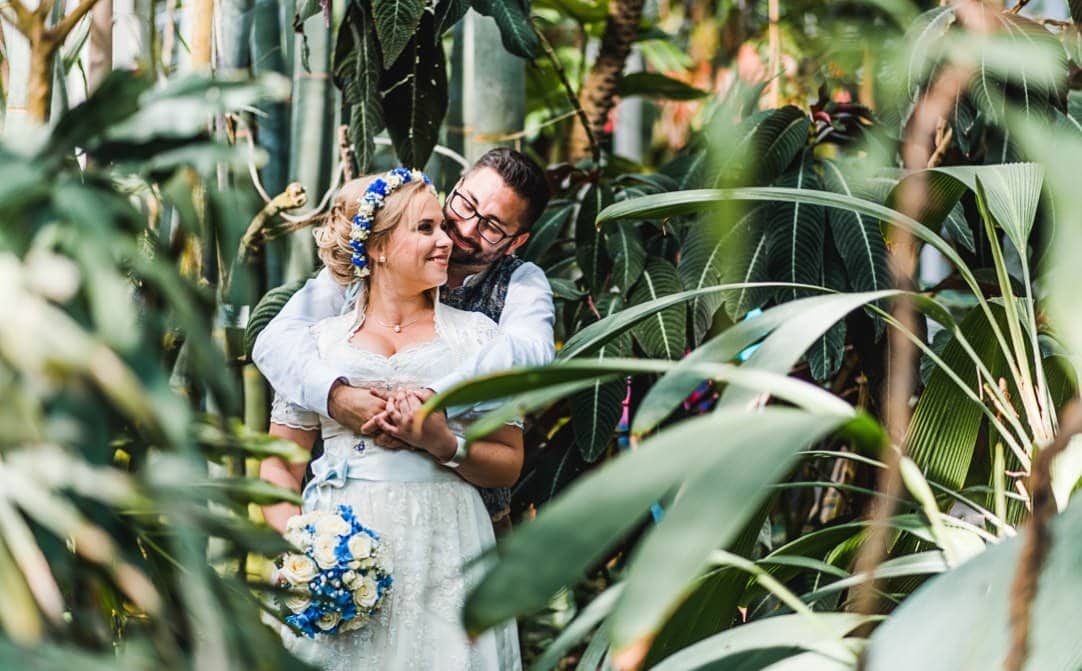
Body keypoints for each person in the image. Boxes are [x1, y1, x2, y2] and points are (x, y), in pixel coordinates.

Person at [259, 169, 522, 669]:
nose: (447, 241)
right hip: (342, 543)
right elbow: (278, 467)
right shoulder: (318, 345)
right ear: (378, 247)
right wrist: (303, 549)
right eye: (425, 229)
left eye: (441, 226)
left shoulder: (478, 339)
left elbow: (508, 463)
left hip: (450, 547)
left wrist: (445, 443)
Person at [253, 148, 554, 528]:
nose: (463, 230)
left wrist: (434, 403)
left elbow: (530, 354)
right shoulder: (356, 274)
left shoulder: (516, 289)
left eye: (491, 227)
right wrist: (336, 396)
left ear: (515, 242)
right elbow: (276, 342)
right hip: (342, 529)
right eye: (465, 205)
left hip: (470, 525)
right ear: (455, 187)